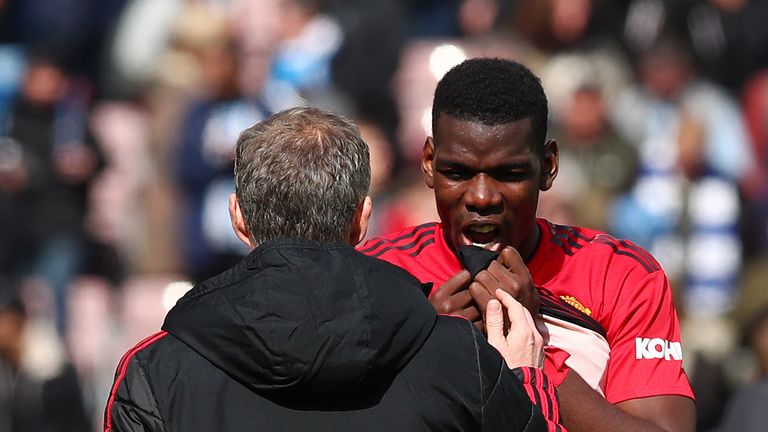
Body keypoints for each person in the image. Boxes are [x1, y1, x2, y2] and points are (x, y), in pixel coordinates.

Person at [102, 107, 565, 431]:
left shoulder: (156, 369)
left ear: (237, 217)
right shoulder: (460, 358)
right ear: (363, 219)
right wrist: (525, 378)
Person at [358, 58, 696, 431]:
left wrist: (534, 345)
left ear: (548, 166)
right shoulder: (375, 274)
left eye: (510, 174)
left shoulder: (622, 276)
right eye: (458, 173)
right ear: (428, 163)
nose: (482, 197)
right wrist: (425, 344)